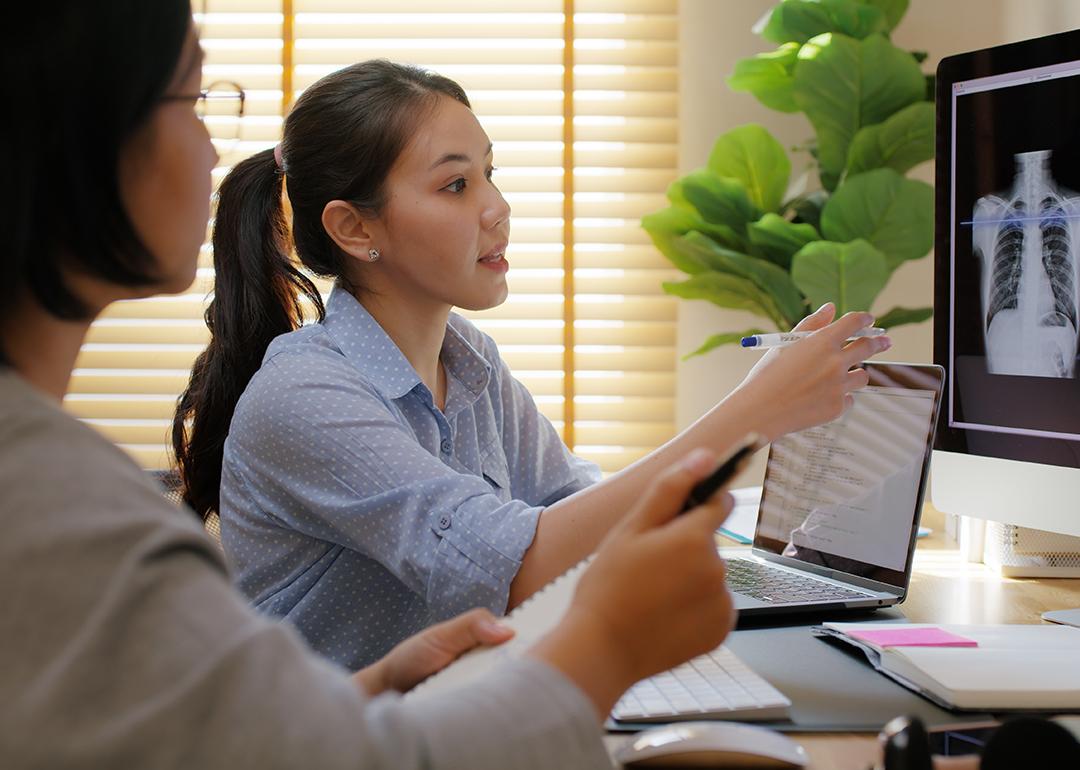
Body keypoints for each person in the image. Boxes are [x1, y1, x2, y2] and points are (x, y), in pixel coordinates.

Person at [0, 3, 742, 766]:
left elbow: (221, 742)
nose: (214, 142)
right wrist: (610, 642)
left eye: (489, 174)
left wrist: (378, 682)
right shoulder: (58, 496)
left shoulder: (471, 360)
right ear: (75, 136)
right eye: (193, 100)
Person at [172, 58, 892, 669]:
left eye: (489, 173)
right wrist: (750, 415)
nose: (498, 207)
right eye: (456, 185)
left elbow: (573, 515)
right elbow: (511, 566)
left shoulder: (468, 361)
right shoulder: (306, 392)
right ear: (354, 228)